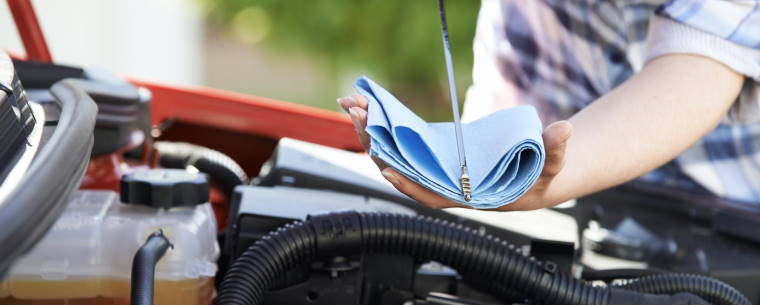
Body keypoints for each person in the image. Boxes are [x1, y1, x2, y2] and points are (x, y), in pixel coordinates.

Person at [338, 0, 760, 211]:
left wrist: (550, 178)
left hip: (728, 216)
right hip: (558, 199)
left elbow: (700, 68)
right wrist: (493, 172)